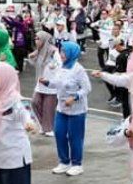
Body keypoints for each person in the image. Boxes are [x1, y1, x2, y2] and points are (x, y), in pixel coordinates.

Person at [50, 41, 91, 176]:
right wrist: (47, 82)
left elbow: (87, 88)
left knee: (75, 137)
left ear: (71, 53)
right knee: (59, 133)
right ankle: (64, 162)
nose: (61, 55)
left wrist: (74, 98)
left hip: (77, 110)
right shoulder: (62, 66)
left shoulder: (79, 69)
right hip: (61, 108)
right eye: (61, 52)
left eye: (64, 52)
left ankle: (77, 164)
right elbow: (57, 83)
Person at [28, 31, 58, 136]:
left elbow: (59, 65)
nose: (36, 41)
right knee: (35, 102)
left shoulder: (53, 51)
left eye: (38, 38)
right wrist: (31, 56)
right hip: (40, 82)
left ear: (44, 39)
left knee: (48, 107)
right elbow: (34, 63)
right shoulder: (39, 51)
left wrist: (53, 67)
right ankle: (43, 125)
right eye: (35, 38)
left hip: (50, 84)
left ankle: (49, 128)